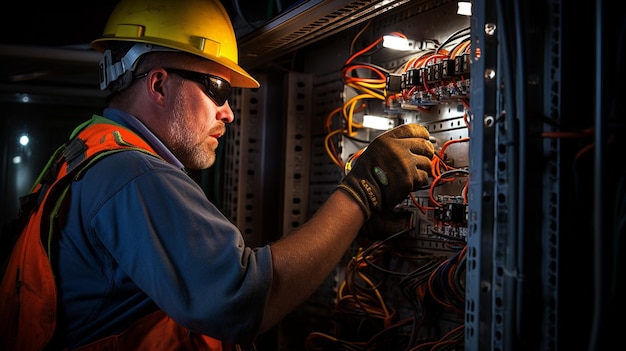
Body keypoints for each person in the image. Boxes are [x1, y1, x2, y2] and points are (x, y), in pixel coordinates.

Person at [2, 0, 434, 350]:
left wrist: (346, 228)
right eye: (219, 90)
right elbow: (243, 298)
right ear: (158, 84)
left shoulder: (88, 150)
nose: (228, 112)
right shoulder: (132, 174)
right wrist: (362, 191)